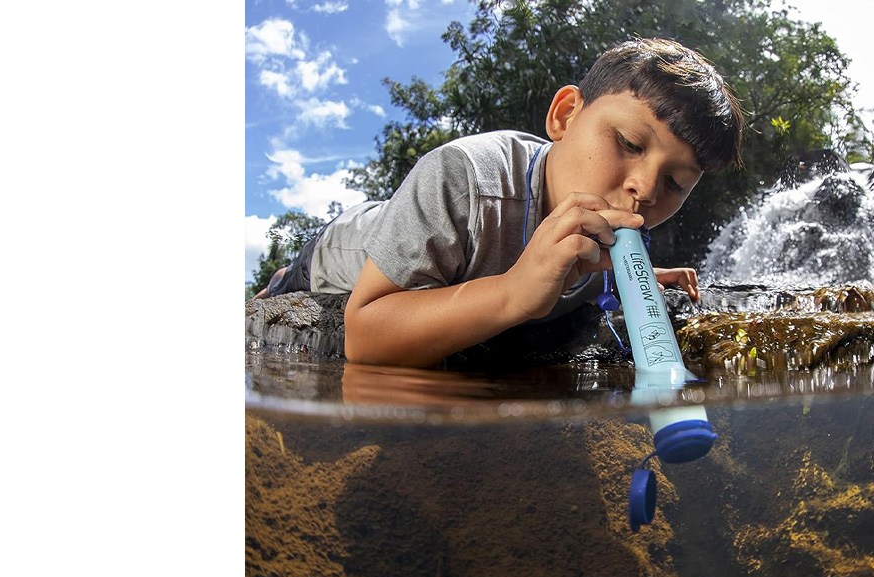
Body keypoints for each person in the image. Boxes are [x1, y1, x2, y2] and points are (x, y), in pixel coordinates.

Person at [259, 37, 744, 367]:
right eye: (629, 144)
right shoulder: (465, 177)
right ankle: (281, 277)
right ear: (565, 116)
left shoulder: (616, 218)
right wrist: (513, 292)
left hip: (443, 246)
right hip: (346, 249)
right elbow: (365, 337)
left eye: (677, 182)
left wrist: (627, 276)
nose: (646, 188)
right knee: (291, 288)